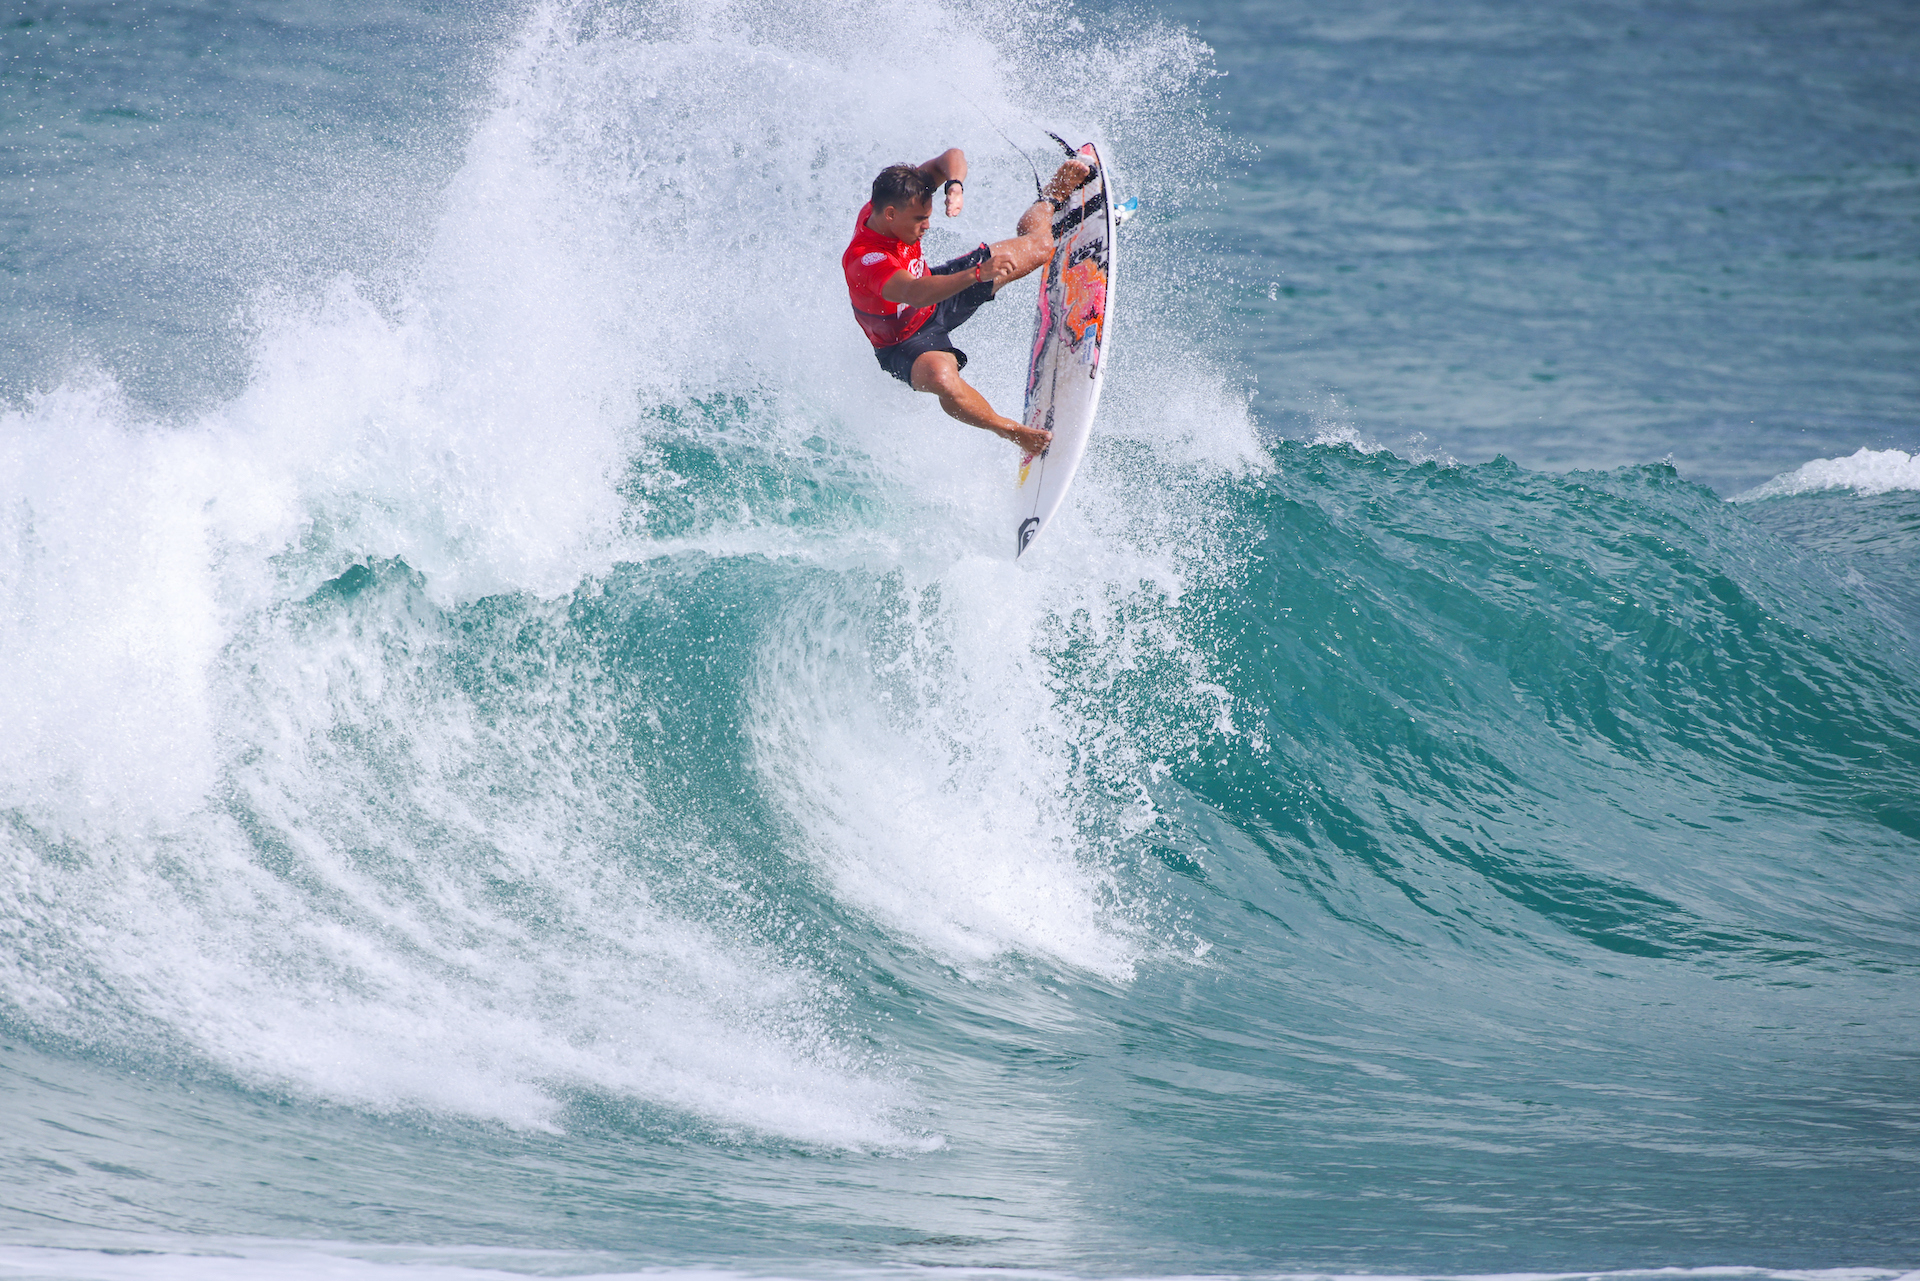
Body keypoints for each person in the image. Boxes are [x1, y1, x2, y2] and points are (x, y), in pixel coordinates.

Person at [843, 148, 1092, 454]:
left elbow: (950, 157)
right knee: (943, 379)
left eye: (928, 217)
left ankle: (1051, 197)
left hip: (936, 289)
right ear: (891, 215)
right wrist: (977, 274)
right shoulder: (866, 260)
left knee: (1041, 247)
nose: (927, 226)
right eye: (920, 220)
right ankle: (1010, 430)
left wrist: (954, 186)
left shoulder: (898, 197)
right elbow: (914, 293)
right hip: (902, 341)